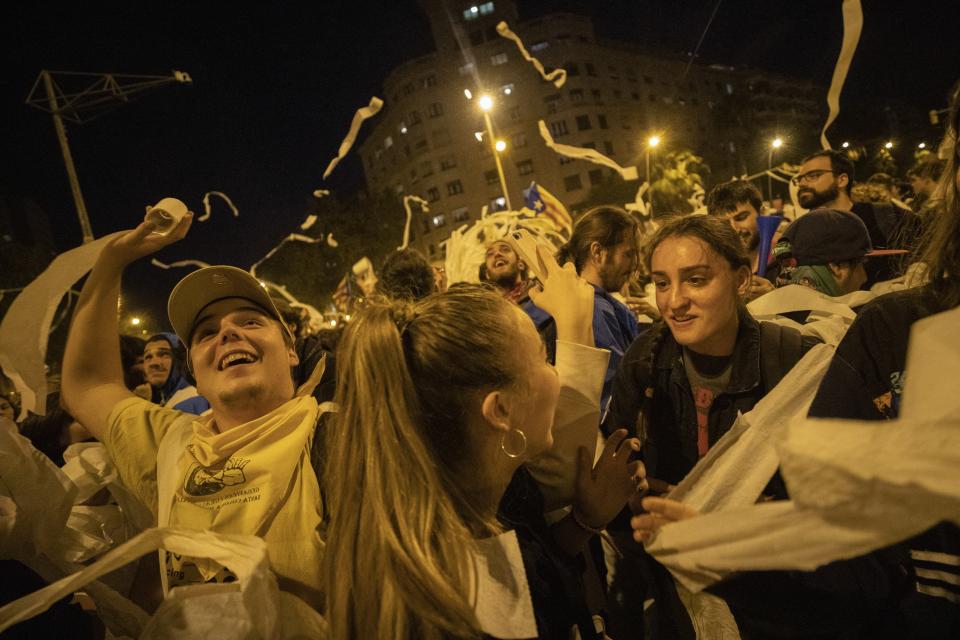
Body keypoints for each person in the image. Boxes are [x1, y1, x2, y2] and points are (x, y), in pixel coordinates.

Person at [322, 247, 645, 639]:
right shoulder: (469, 596)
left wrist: (583, 521)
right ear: (501, 411)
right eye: (545, 357)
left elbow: (537, 566)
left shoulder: (482, 503)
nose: (555, 377)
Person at [61, 212, 327, 607]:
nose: (228, 333)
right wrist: (111, 261)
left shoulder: (339, 433)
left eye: (250, 321)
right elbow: (89, 384)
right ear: (197, 377)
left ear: (291, 352)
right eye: (206, 333)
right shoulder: (169, 445)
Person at [549, 206, 642, 410]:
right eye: (628, 254)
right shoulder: (592, 308)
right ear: (598, 252)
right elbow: (615, 396)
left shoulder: (580, 299)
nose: (635, 264)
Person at [793, 149, 921, 284]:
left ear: (842, 180)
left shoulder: (885, 215)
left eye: (813, 175)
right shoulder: (802, 233)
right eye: (799, 179)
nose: (802, 183)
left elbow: (928, 253)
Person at [774, 208, 906, 296]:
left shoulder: (764, 316)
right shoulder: (845, 328)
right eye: (861, 264)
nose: (865, 276)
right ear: (836, 267)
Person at [705, 179, 780, 300]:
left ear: (762, 212)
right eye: (723, 223)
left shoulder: (786, 256)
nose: (734, 229)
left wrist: (776, 298)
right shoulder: (718, 266)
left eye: (741, 217)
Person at [141, 333, 210, 414]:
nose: (154, 363)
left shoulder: (194, 401)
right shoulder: (166, 401)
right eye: (148, 357)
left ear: (179, 360)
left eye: (164, 354)